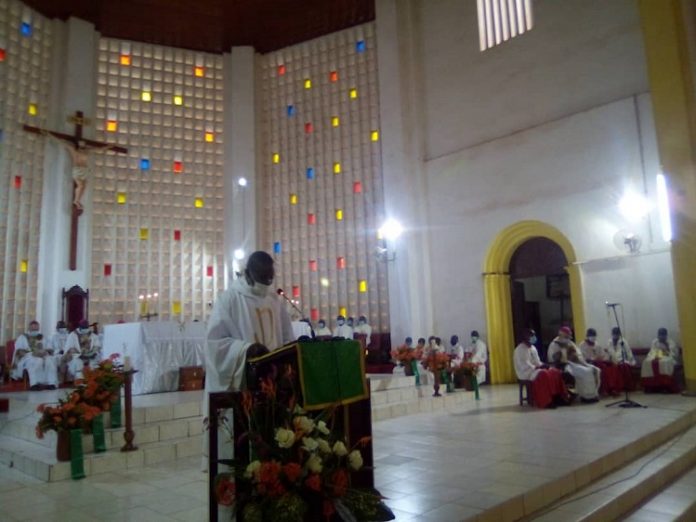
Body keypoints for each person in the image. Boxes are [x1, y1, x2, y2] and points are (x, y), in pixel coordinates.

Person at [203, 251, 295, 471]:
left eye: (270, 278)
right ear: (249, 273)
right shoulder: (229, 299)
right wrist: (246, 350)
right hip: (244, 379)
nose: (267, 283)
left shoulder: (274, 300)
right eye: (263, 278)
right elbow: (215, 343)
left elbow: (286, 338)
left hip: (271, 382)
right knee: (243, 452)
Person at [514, 329, 569, 409]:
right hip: (525, 372)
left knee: (554, 372)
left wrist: (545, 365)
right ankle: (546, 401)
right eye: (531, 335)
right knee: (543, 374)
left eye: (534, 335)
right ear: (525, 337)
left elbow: (537, 361)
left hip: (534, 369)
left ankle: (557, 398)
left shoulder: (533, 348)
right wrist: (537, 367)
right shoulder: (520, 349)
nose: (534, 337)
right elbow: (523, 365)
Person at [548, 326, 601, 403]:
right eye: (566, 336)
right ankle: (586, 396)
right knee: (586, 372)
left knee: (596, 370)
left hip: (576, 362)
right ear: (561, 335)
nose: (568, 338)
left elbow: (578, 355)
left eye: (569, 336)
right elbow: (554, 359)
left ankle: (594, 394)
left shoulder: (570, 343)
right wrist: (564, 350)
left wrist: (575, 356)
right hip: (565, 365)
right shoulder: (554, 344)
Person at [10, 321, 58, 390]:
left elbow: (49, 348)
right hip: (28, 356)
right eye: (33, 329)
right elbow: (19, 350)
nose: (35, 331)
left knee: (50, 361)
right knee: (36, 361)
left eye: (36, 329)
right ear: (29, 328)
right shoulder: (23, 337)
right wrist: (33, 353)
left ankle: (51, 383)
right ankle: (34, 384)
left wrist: (45, 351)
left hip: (42, 355)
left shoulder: (42, 337)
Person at [579, 328, 619, 396]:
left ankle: (612, 388)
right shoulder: (582, 345)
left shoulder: (597, 344)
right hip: (589, 363)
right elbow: (583, 357)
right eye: (591, 336)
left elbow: (602, 354)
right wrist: (594, 359)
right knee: (602, 367)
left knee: (611, 366)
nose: (593, 338)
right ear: (588, 336)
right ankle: (603, 389)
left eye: (594, 336)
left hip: (599, 361)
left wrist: (605, 358)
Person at [641, 327, 681, 393]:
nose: (661, 336)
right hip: (656, 357)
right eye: (660, 334)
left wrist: (667, 347)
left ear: (666, 335)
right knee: (646, 362)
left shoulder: (670, 342)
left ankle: (666, 387)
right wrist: (654, 355)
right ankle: (650, 387)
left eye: (663, 335)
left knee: (665, 363)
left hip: (668, 358)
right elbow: (652, 351)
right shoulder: (655, 341)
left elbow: (674, 354)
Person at [605, 327, 637, 393]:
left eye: (617, 334)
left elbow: (628, 352)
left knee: (624, 366)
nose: (615, 336)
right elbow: (609, 352)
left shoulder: (623, 341)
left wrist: (631, 360)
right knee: (610, 369)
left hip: (622, 360)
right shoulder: (609, 342)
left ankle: (625, 386)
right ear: (612, 334)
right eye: (614, 334)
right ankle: (613, 388)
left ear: (619, 335)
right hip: (613, 361)